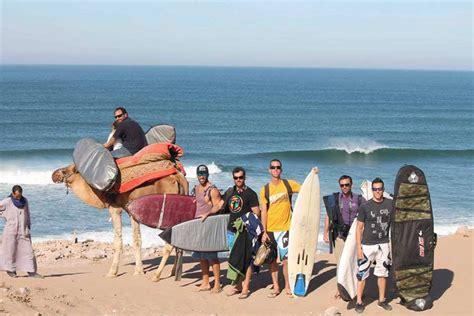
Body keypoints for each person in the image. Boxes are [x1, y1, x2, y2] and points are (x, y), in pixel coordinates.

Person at [260, 159, 302, 298]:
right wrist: (264, 231)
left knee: (286, 260)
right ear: (269, 170)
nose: (276, 169)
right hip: (271, 229)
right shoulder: (265, 189)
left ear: (281, 170)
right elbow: (264, 211)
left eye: (278, 167)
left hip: (286, 228)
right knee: (272, 260)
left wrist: (313, 175)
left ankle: (288, 286)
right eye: (273, 167)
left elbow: (306, 190)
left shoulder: (289, 184)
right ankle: (276, 286)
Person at [323, 175, 365, 299]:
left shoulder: (359, 199)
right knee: (340, 263)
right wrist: (325, 232)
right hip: (339, 236)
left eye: (347, 184)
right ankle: (340, 289)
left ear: (351, 185)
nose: (344, 187)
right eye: (342, 185)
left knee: (356, 263)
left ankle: (358, 289)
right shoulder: (335, 199)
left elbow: (366, 215)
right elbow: (328, 216)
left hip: (355, 237)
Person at [355, 178, 393, 313]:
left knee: (383, 274)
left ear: (383, 189)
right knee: (362, 274)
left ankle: (381, 300)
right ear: (372, 190)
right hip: (367, 245)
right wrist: (359, 249)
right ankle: (359, 301)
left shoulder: (390, 204)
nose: (378, 191)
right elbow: (359, 228)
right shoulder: (365, 206)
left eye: (380, 189)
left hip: (384, 245)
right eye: (375, 189)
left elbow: (398, 224)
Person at [221, 167, 260, 299]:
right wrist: (207, 213)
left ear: (245, 177)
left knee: (247, 261)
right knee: (234, 260)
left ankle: (245, 288)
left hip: (245, 233)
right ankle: (237, 285)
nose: (238, 180)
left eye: (241, 177)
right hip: (231, 231)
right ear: (233, 178)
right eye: (236, 178)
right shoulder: (230, 192)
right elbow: (222, 207)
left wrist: (245, 222)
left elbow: (256, 213)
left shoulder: (251, 194)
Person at [193, 164, 224, 293]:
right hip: (198, 224)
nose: (202, 176)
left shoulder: (212, 190)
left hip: (209, 225)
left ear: (207, 175)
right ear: (197, 175)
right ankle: (206, 282)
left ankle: (217, 283)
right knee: (201, 256)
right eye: (199, 174)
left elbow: (219, 205)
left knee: (212, 256)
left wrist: (208, 212)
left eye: (204, 174)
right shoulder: (196, 188)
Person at [0, 185, 42, 278]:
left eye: (20, 195)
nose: (18, 198)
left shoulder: (25, 201)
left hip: (23, 230)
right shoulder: (7, 201)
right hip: (11, 230)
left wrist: (28, 224)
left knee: (28, 251)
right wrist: (6, 216)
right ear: (13, 193)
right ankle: (11, 270)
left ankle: (31, 271)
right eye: (16, 196)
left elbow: (27, 213)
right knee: (10, 251)